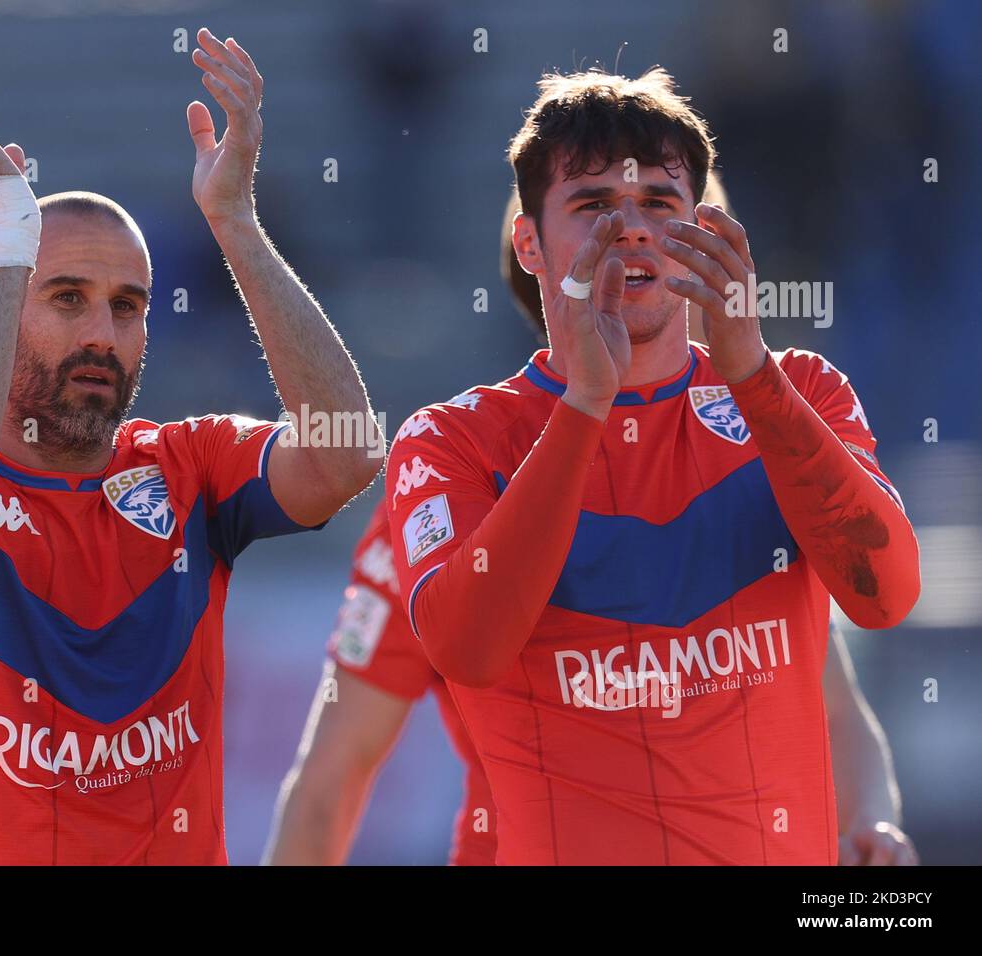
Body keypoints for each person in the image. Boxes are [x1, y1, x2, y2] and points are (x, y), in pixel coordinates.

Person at [0, 31, 381, 865]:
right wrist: (6, 240)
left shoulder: (188, 467)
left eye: (127, 307)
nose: (102, 334)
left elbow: (347, 455)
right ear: (3, 307)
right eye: (66, 299)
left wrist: (234, 221)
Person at [265, 172, 916, 867]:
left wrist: (873, 823)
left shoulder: (766, 444)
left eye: (697, 241)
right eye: (622, 241)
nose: (673, 265)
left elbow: (837, 710)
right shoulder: (452, 493)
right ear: (546, 270)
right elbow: (332, 779)